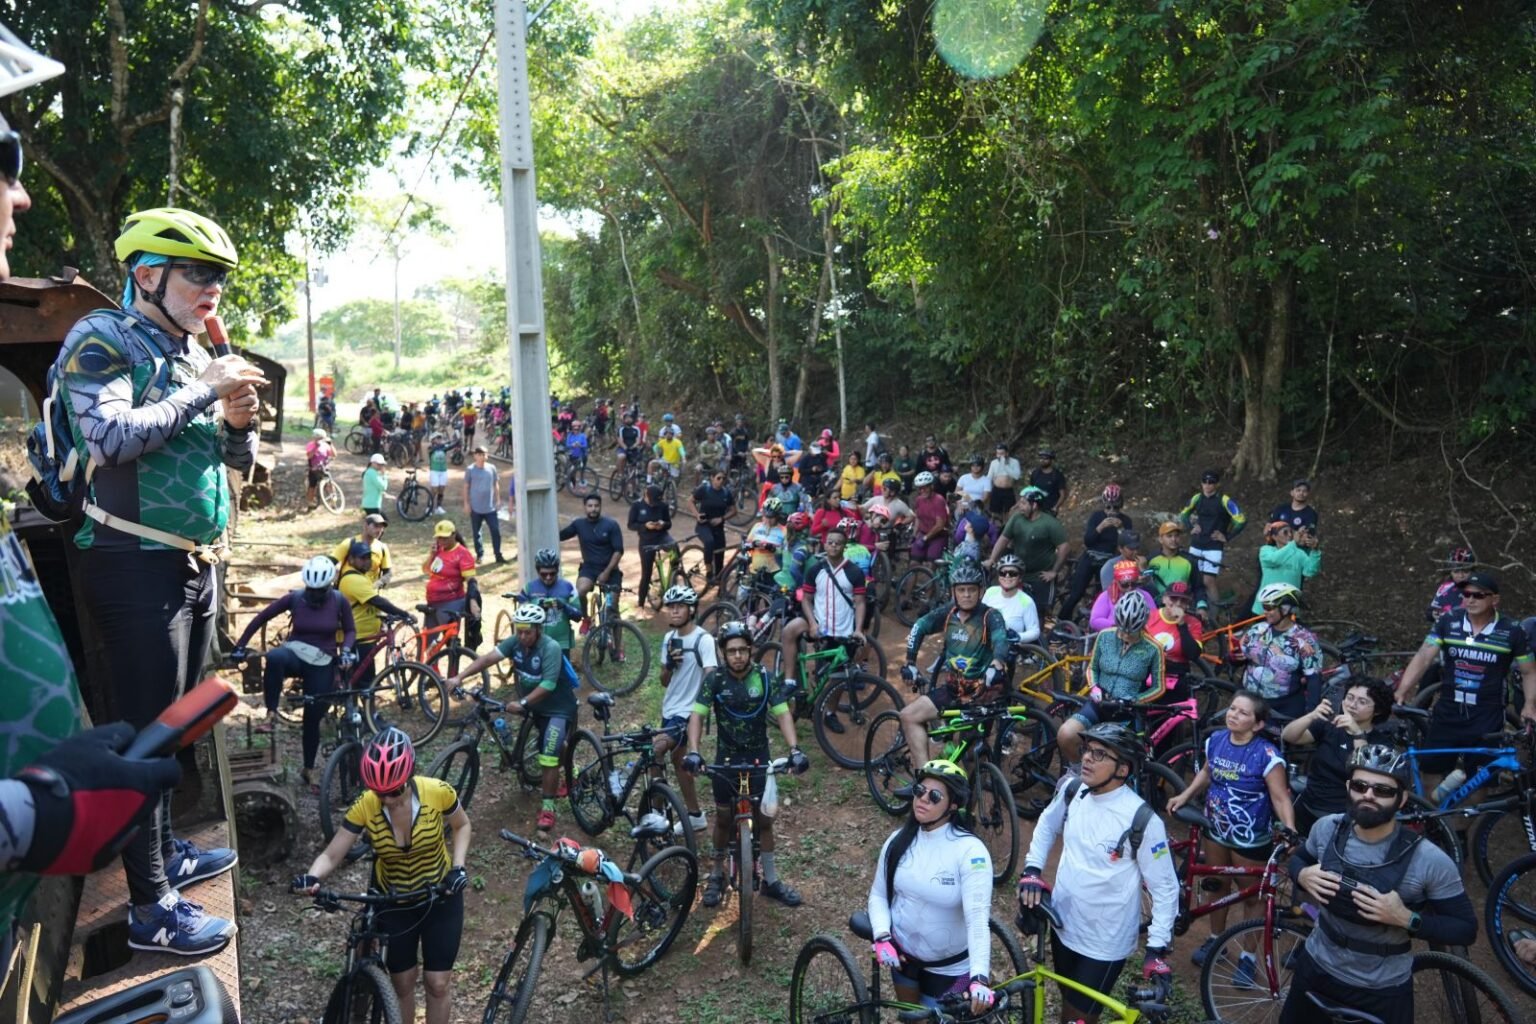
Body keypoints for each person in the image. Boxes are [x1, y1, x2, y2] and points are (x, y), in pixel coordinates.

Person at [60, 206, 259, 953]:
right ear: (147, 273)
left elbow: (232, 465)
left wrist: (239, 421)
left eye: (219, 278)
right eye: (198, 274)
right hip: (131, 560)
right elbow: (109, 438)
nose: (213, 289)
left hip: (192, 563)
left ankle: (166, 855)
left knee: (175, 729)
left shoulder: (183, 356)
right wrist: (206, 390)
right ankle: (152, 910)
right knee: (147, 735)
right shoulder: (102, 338)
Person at [1283, 745, 1475, 1024]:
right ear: (1349, 787)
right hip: (1315, 968)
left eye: (1383, 791)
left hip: (1381, 989)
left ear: (1401, 799)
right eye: (1360, 786)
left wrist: (1407, 918)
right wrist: (1301, 874)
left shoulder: (1429, 860)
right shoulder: (1326, 828)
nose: (1368, 796)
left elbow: (1465, 929)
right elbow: (1299, 858)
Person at [295, 728, 471, 1024]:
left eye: (395, 791)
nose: (388, 799)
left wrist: (458, 867)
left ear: (409, 778)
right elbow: (333, 853)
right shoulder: (366, 805)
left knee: (438, 983)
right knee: (402, 983)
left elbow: (462, 826)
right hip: (395, 901)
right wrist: (312, 877)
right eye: (380, 792)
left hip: (440, 898)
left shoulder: (438, 792)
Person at [1018, 723, 1178, 1024]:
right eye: (1087, 750)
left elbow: (1166, 889)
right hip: (1063, 925)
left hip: (1105, 942)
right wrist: (1032, 868)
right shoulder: (1072, 790)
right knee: (1069, 1002)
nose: (1088, 759)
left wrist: (1156, 948)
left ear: (1123, 770)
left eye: (1100, 754)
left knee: (1079, 1017)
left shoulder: (1143, 820)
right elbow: (1047, 824)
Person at [683, 621, 811, 908]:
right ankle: (716, 875)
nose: (738, 656)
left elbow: (782, 715)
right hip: (725, 762)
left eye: (742, 650)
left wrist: (794, 749)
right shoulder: (714, 680)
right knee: (724, 818)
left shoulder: (765, 678)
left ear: (751, 650)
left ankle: (771, 880)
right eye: (732, 651)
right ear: (723, 654)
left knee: (764, 821)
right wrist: (693, 751)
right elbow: (697, 716)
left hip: (758, 761)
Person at [1169, 690, 1296, 969]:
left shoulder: (1267, 755)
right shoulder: (1215, 740)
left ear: (1258, 724)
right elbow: (1206, 772)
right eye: (1232, 708)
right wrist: (1185, 795)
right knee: (1218, 886)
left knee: (1253, 896)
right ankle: (1216, 941)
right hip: (1215, 830)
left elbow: (1280, 796)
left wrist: (1290, 829)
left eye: (1242, 712)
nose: (1233, 714)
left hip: (1250, 838)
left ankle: (1248, 957)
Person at [867, 760, 996, 1017]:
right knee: (911, 1020)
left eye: (934, 796)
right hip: (903, 960)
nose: (922, 799)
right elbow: (879, 895)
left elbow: (978, 921)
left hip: (949, 970)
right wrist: (882, 936)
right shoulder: (898, 841)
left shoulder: (970, 852)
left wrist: (979, 977)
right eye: (919, 790)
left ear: (953, 805)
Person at [446, 605, 577, 831]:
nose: (523, 636)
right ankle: (571, 766)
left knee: (548, 752)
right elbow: (488, 659)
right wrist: (460, 676)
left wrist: (523, 703)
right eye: (519, 631)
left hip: (557, 707)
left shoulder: (551, 647)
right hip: (535, 706)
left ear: (539, 629)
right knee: (554, 744)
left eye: (528, 632)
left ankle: (547, 807)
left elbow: (548, 684)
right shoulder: (515, 642)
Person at [230, 556, 357, 784]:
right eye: (311, 590)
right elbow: (262, 616)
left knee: (312, 717)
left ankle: (308, 768)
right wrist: (240, 644)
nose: (315, 595)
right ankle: (271, 713)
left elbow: (349, 630)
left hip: (323, 659)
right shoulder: (296, 598)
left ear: (329, 585)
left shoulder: (339, 601)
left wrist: (346, 650)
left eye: (320, 591)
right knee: (275, 657)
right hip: (296, 652)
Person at [1394, 570, 1536, 772]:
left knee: (1479, 782)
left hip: (1487, 714)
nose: (1470, 599)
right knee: (1429, 773)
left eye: (1478, 595)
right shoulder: (1448, 621)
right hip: (1448, 709)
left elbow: (1529, 671)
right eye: (1466, 594)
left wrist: (1529, 705)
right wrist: (1402, 691)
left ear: (1495, 599)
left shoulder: (1512, 630)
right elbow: (1424, 656)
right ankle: (1438, 803)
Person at [898, 562, 1010, 762]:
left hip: (981, 694)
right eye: (961, 590)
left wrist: (997, 663)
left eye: (971, 590)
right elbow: (919, 626)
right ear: (954, 592)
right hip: (953, 688)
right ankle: (924, 778)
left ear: (981, 591)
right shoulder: (948, 613)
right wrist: (910, 662)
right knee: (908, 716)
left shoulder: (990, 616)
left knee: (968, 752)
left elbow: (1001, 640)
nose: (966, 594)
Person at [1057, 592, 1166, 763]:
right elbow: (1092, 668)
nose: (1125, 634)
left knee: (1114, 758)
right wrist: (1094, 687)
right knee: (1066, 734)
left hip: (1127, 712)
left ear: (1143, 625)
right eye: (1122, 628)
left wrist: (1136, 700)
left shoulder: (1153, 648)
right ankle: (1079, 774)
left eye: (1132, 631)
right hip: (1099, 704)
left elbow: (1159, 687)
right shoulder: (1105, 636)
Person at [1282, 678, 1398, 835]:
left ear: (1377, 710)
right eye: (1350, 697)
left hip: (1341, 816)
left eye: (1362, 701)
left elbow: (1366, 771)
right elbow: (1289, 736)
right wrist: (1311, 716)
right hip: (1307, 805)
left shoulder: (1380, 743)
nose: (1352, 705)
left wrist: (1357, 733)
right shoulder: (1329, 725)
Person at [781, 524, 868, 700]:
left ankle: (829, 714)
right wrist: (812, 624)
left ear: (844, 546)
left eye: (838, 543)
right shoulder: (815, 570)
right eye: (830, 542)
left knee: (835, 679)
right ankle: (789, 681)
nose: (834, 546)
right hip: (819, 624)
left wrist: (858, 629)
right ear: (825, 544)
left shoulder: (855, 572)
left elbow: (860, 603)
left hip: (842, 630)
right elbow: (806, 599)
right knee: (789, 630)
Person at [655, 585, 715, 834]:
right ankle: (695, 815)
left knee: (655, 749)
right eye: (671, 607)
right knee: (680, 763)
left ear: (691, 609)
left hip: (688, 713)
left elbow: (712, 676)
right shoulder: (669, 639)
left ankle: (655, 815)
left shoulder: (704, 639)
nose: (674, 611)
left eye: (679, 606)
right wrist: (669, 664)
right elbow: (664, 680)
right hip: (670, 708)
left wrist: (699, 713)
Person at [336, 541, 416, 692]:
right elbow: (377, 601)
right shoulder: (353, 580)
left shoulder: (362, 577)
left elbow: (369, 604)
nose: (367, 561)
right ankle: (363, 712)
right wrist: (404, 614)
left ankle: (356, 710)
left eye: (368, 557)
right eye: (362, 558)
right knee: (363, 681)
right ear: (351, 560)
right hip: (357, 637)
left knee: (361, 679)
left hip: (365, 635)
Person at [1236, 582, 1322, 721]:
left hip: (1284, 706)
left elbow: (1314, 679)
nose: (1265, 612)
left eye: (1269, 607)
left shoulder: (1305, 639)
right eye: (1264, 607)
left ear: (1286, 609)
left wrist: (1312, 714)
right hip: (1250, 701)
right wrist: (1233, 658)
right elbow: (1237, 660)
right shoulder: (1257, 630)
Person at [986, 486, 1069, 611]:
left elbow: (1064, 547)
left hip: (1040, 577)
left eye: (1024, 503)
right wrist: (992, 559)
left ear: (1034, 505)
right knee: (1015, 607)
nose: (1020, 506)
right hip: (1018, 575)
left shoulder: (1050, 523)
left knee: (1040, 610)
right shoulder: (1017, 518)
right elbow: (1003, 539)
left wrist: (1054, 571)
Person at [1060, 484, 1134, 621]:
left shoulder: (1126, 520)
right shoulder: (1096, 517)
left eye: (1115, 508)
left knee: (1105, 594)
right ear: (1104, 505)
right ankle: (1061, 621)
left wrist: (1121, 528)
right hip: (1091, 556)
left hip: (1110, 560)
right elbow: (1088, 541)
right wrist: (1101, 527)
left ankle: (1099, 620)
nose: (1112, 511)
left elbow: (1128, 544)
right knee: (1076, 593)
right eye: (1108, 507)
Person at [1179, 469, 1246, 602]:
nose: (1207, 485)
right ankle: (1194, 609)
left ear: (1217, 484)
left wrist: (1227, 536)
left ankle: (1215, 614)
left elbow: (1241, 520)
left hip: (1214, 546)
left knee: (1208, 581)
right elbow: (1184, 514)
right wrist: (1191, 527)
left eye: (1211, 482)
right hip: (1196, 544)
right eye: (1205, 481)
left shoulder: (1224, 500)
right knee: (1192, 579)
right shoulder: (1197, 498)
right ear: (1201, 483)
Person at [560, 494, 625, 628]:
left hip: (610, 570)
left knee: (612, 609)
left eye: (596, 506)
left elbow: (618, 551)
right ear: (585, 507)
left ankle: (618, 647)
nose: (593, 509)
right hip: (589, 569)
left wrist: (606, 572)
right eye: (590, 506)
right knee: (580, 591)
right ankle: (586, 618)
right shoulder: (579, 524)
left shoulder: (611, 525)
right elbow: (560, 535)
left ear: (600, 507)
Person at [514, 549, 583, 663]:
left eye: (552, 573)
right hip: (535, 643)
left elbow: (578, 616)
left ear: (557, 570)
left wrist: (564, 606)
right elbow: (521, 620)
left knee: (562, 679)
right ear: (537, 571)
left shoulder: (568, 587)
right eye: (544, 574)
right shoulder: (528, 588)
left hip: (561, 644)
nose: (548, 577)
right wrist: (537, 608)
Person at [1142, 582, 1205, 705]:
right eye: (1173, 598)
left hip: (1176, 675)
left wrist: (1182, 625)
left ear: (1188, 604)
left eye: (1183, 601)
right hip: (1148, 672)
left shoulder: (1194, 623)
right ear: (1165, 598)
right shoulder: (1149, 617)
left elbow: (1193, 654)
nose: (1177, 604)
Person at [1249, 520, 1321, 614]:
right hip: (1266, 608)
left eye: (1290, 532)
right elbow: (1274, 560)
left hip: (1289, 608)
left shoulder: (1298, 554)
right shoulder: (1266, 551)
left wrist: (1315, 550)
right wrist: (1293, 543)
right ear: (1274, 537)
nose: (1290, 535)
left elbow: (1310, 571)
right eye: (1285, 532)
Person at [422, 520, 478, 634]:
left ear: (454, 535)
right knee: (427, 641)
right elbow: (426, 570)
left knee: (449, 639)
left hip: (451, 602)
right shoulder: (438, 550)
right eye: (439, 538)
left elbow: (471, 580)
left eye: (445, 538)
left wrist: (473, 601)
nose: (442, 541)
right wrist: (431, 555)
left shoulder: (462, 554)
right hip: (432, 602)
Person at [1146, 521, 1208, 617]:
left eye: (1177, 536)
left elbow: (1198, 587)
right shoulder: (1151, 559)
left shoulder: (1189, 560)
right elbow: (1145, 583)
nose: (1174, 539)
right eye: (1169, 536)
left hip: (1181, 607)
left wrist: (1202, 607)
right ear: (1160, 539)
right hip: (1157, 608)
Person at [630, 483, 676, 608]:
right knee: (646, 573)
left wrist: (663, 524)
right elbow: (631, 525)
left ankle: (674, 576)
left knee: (675, 547)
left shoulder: (663, 505)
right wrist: (645, 526)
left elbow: (669, 523)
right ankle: (641, 603)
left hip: (662, 536)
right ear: (646, 494)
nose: (654, 504)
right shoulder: (637, 505)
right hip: (646, 540)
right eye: (652, 502)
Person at [463, 444, 505, 564]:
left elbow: (496, 484)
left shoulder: (492, 468)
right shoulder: (470, 470)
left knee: (495, 531)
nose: (482, 456)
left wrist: (498, 499)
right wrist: (466, 503)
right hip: (476, 508)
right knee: (477, 533)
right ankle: (480, 555)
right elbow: (466, 487)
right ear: (475, 456)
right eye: (480, 454)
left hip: (490, 508)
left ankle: (498, 555)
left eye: (484, 454)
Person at [690, 467, 734, 585]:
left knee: (720, 554)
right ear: (712, 478)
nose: (721, 481)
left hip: (718, 527)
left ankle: (719, 585)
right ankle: (709, 571)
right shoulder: (704, 489)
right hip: (703, 525)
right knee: (709, 542)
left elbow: (733, 510)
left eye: (723, 478)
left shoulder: (726, 492)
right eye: (718, 478)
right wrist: (697, 515)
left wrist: (722, 518)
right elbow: (690, 501)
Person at [1087, 558, 1156, 633]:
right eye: (1125, 585)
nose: (1129, 588)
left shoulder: (1145, 595)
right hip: (1113, 634)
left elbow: (1154, 618)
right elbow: (1094, 621)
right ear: (1116, 582)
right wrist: (1117, 626)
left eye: (1133, 584)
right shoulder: (1107, 596)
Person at [330, 511, 393, 586]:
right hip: (347, 592)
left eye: (382, 527)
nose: (379, 530)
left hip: (369, 594)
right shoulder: (349, 543)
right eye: (376, 526)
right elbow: (329, 562)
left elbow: (388, 573)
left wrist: (378, 584)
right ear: (365, 525)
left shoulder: (382, 548)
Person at [908, 472, 950, 564]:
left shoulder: (938, 500)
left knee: (931, 563)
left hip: (938, 536)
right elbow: (918, 518)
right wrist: (915, 535)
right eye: (920, 488)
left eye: (925, 487)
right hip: (923, 533)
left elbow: (940, 525)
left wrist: (925, 538)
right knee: (914, 562)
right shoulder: (919, 500)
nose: (922, 490)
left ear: (931, 486)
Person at [1425, 545, 1474, 622]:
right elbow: (1431, 610)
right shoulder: (1446, 587)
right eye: (1456, 571)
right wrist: (1433, 614)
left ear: (1473, 571)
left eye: (1466, 571)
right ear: (1450, 572)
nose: (1461, 576)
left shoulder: (1482, 589)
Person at [985, 443, 1021, 520]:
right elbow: (989, 478)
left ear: (1007, 453)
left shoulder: (1014, 462)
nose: (999, 456)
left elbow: (1017, 476)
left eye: (1002, 453)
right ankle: (994, 529)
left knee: (1010, 511)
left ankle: (1007, 528)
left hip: (1008, 490)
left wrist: (1005, 465)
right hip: (997, 490)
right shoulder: (993, 463)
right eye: (998, 453)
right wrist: (987, 490)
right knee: (994, 512)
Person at [1027, 449, 1067, 514]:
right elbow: (1031, 490)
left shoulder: (1057, 475)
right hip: (1036, 508)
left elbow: (1063, 494)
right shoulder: (1035, 473)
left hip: (1050, 509)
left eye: (1045, 459)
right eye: (1041, 458)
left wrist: (1056, 507)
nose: (1042, 460)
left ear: (1051, 460)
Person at [304, 427, 335, 508]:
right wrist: (315, 447)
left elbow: (334, 455)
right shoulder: (311, 445)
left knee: (329, 484)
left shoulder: (326, 445)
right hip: (314, 469)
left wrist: (330, 444)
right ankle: (310, 503)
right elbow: (309, 456)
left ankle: (333, 500)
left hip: (324, 468)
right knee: (312, 485)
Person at [426, 432, 450, 514]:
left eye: (440, 438)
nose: (440, 439)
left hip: (443, 471)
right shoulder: (430, 448)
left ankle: (438, 507)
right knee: (434, 490)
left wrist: (457, 442)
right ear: (433, 440)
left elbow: (451, 446)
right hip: (434, 471)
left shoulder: (444, 448)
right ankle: (429, 507)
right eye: (437, 438)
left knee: (441, 490)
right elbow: (434, 449)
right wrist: (444, 445)